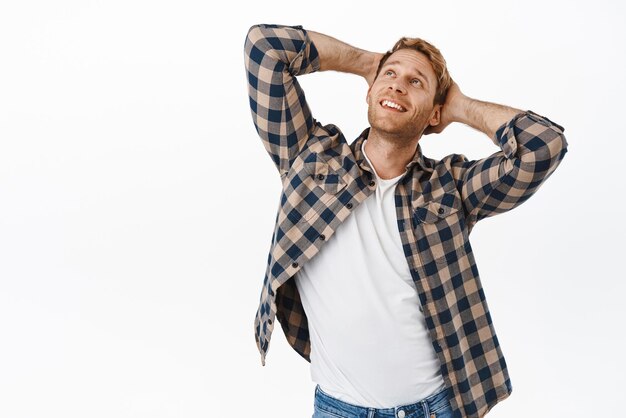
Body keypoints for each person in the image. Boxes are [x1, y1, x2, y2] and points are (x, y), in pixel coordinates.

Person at [243, 23, 568, 418]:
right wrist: (366, 63)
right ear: (371, 89)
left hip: (434, 410)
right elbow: (264, 48)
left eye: (416, 82)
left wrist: (460, 107)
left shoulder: (450, 188)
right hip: (336, 408)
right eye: (390, 74)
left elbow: (543, 145)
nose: (397, 86)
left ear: (434, 114)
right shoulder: (309, 159)